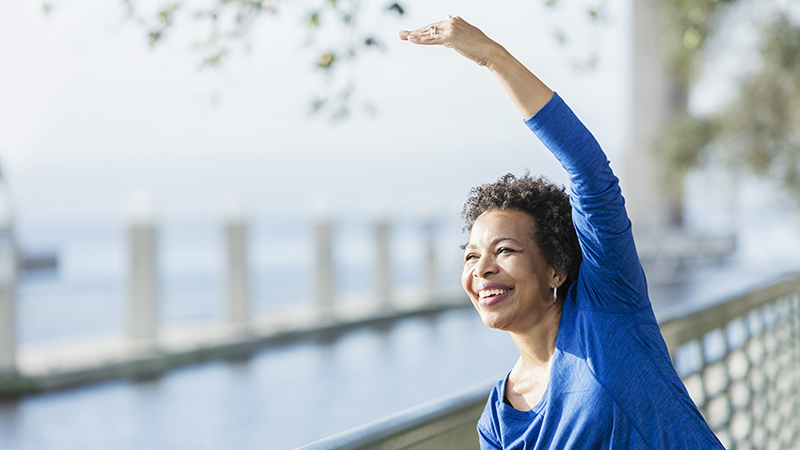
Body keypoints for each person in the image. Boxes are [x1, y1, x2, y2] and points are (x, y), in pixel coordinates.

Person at [399, 17, 724, 449]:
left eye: (505, 250)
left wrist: (493, 57)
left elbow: (589, 172)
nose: (483, 269)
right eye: (471, 256)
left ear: (555, 267)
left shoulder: (609, 307)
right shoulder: (497, 422)